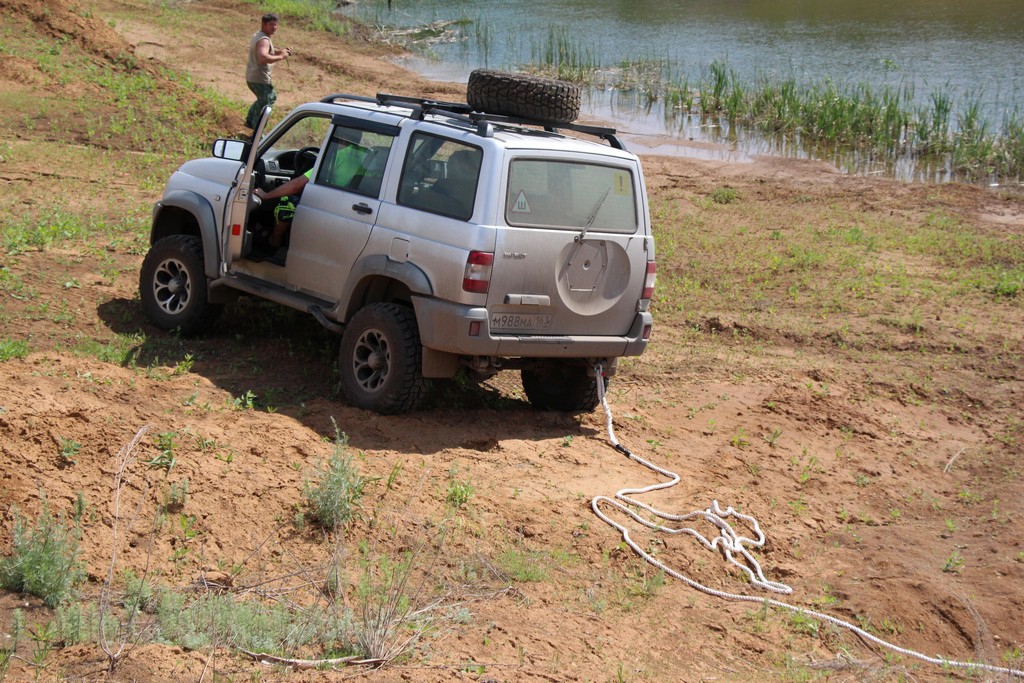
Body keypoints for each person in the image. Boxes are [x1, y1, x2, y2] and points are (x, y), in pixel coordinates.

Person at [252, 137, 370, 255]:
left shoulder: (334, 158)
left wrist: (267, 195)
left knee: (287, 203)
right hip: (350, 201)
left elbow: (296, 186)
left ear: (339, 140)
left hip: (332, 206)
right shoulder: (366, 154)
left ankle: (274, 243)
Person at [245, 13, 292, 130]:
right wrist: (281, 57)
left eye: (275, 25)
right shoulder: (264, 40)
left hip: (254, 77)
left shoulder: (260, 35)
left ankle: (250, 121)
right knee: (267, 101)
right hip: (259, 78)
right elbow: (263, 58)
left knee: (265, 99)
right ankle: (257, 130)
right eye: (271, 24)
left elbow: (267, 50)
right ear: (263, 24)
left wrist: (281, 51)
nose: (274, 27)